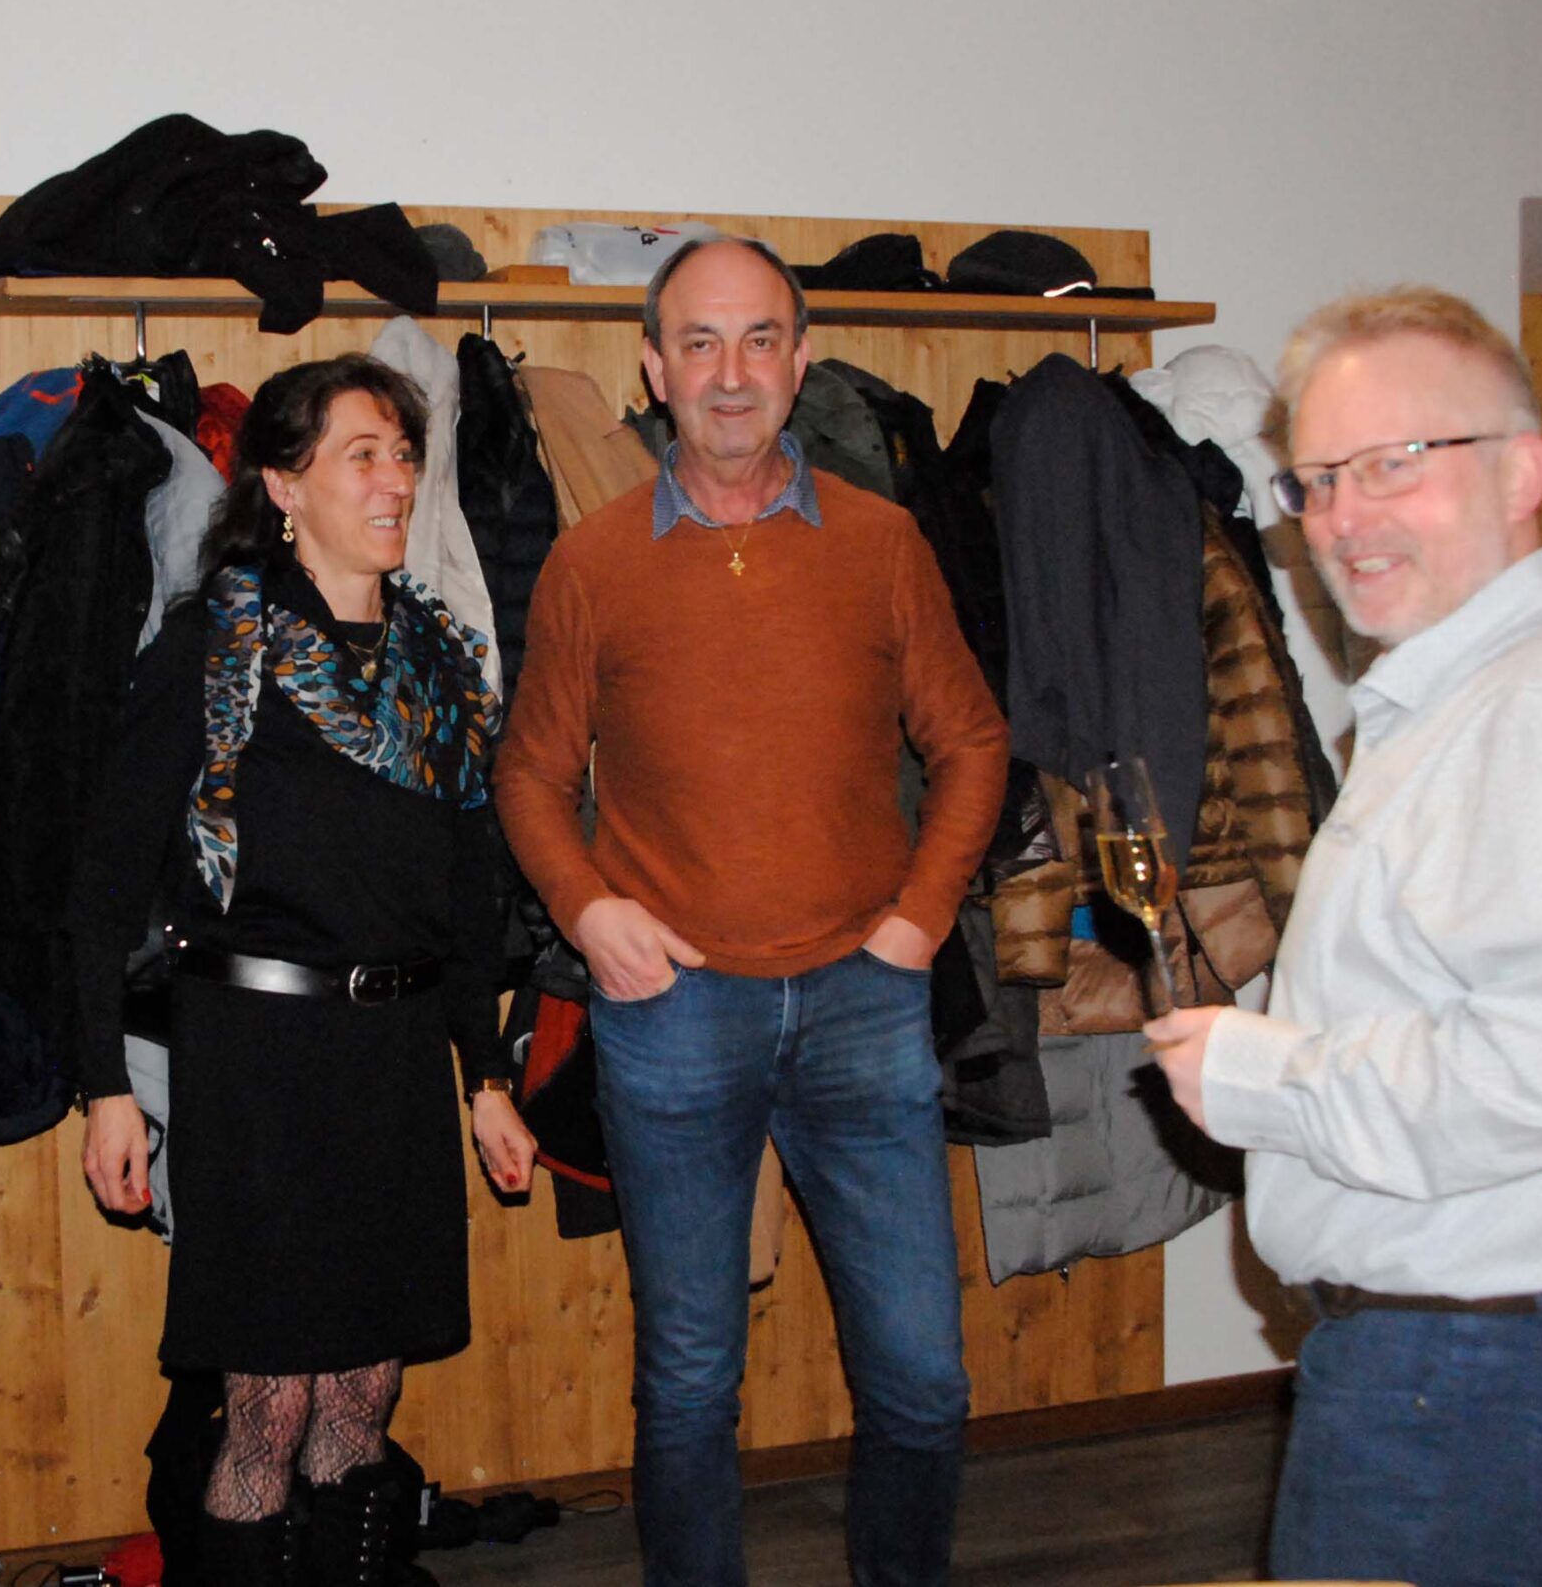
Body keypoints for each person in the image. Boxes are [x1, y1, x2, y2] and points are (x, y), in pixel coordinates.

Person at [1145, 287, 1542, 1587]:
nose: (1342, 519)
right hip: (1498, 1353)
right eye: (1315, 480)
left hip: (1479, 1371)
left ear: (1522, 471)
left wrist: (1261, 1075)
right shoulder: (1480, 690)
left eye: (1394, 463)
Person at [494, 235, 1009, 1587]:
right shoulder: (593, 561)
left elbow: (972, 742)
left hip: (864, 1005)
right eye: (701, 343)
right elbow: (530, 774)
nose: (731, 373)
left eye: (760, 339)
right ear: (653, 369)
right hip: (671, 1016)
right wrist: (588, 907)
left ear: (799, 360)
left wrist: (917, 920)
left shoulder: (884, 543)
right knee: (688, 1383)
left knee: (923, 1381)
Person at [71, 354, 537, 1587]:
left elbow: (467, 897)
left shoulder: (439, 663)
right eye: (361, 455)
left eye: (403, 454)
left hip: (395, 1062)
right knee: (269, 1409)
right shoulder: (211, 646)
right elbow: (101, 884)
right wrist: (102, 1085)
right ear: (281, 484)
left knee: (361, 1401)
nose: (395, 482)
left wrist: (486, 1076)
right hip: (257, 1069)